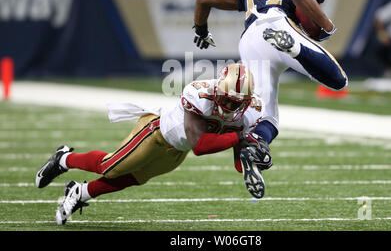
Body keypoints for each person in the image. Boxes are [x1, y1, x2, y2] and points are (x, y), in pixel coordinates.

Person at [35, 63, 272, 225]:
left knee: (133, 178)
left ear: (249, 100)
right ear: (218, 90)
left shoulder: (252, 111)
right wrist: (242, 138)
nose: (230, 108)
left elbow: (238, 160)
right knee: (111, 167)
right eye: (227, 100)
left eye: (237, 103)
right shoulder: (199, 95)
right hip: (156, 132)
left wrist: (250, 158)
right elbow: (200, 146)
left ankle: (80, 192)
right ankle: (63, 159)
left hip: (177, 150)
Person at [193, 0, 348, 146]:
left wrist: (201, 30)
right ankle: (295, 48)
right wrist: (327, 27)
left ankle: (256, 147)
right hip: (278, 23)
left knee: (265, 115)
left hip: (250, 39)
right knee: (339, 81)